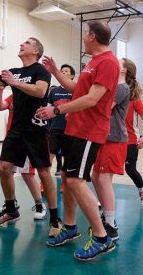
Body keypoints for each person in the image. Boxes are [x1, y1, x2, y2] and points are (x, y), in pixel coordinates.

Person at [37, 20, 119, 261]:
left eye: (85, 34)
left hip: (89, 131)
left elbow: (92, 99)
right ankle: (71, 228)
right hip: (75, 129)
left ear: (92, 36)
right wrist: (54, 72)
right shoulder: (92, 63)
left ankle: (102, 237)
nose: (83, 37)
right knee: (67, 177)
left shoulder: (109, 63)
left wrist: (58, 110)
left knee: (75, 180)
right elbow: (77, 90)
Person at [0, 37, 59, 234]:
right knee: (4, 168)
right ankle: (11, 210)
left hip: (36, 129)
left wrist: (15, 83)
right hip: (16, 130)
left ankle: (54, 218)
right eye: (22, 42)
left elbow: (41, 91)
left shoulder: (40, 71)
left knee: (43, 173)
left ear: (35, 51)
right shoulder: (14, 71)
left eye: (27, 43)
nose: (21, 44)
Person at [91, 58, 130, 242]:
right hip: (103, 137)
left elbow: (103, 106)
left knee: (104, 179)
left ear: (124, 70)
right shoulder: (115, 87)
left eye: (118, 61)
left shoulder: (122, 88)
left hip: (114, 139)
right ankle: (106, 216)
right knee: (95, 177)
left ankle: (111, 224)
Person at [0, 87, 47, 221]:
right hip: (12, 139)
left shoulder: (33, 95)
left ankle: (40, 205)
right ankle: (11, 203)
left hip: (26, 138)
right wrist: (0, 90)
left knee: (27, 173)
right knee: (6, 171)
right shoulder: (12, 96)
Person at [48, 64, 75, 175]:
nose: (63, 72)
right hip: (54, 128)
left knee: (67, 158)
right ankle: (44, 183)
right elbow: (48, 108)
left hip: (70, 130)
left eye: (66, 71)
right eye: (62, 71)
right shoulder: (54, 91)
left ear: (72, 76)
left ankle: (65, 185)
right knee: (49, 155)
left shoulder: (75, 90)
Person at [123, 58, 143, 207]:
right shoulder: (115, 92)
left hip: (130, 140)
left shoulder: (134, 99)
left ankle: (141, 189)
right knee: (103, 170)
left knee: (129, 168)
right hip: (113, 139)